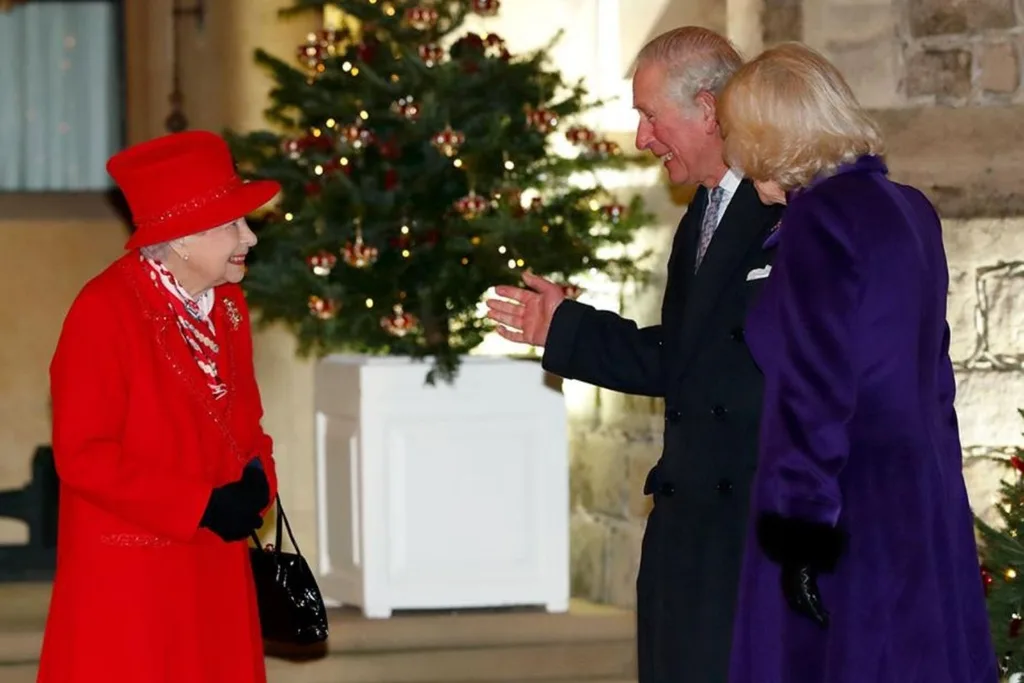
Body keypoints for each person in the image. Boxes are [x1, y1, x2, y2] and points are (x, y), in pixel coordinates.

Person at [485, 27, 784, 683]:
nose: (644, 138)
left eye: (651, 116)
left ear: (708, 109)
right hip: (690, 533)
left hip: (750, 534)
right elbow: (681, 360)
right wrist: (563, 328)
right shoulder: (704, 209)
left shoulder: (780, 209)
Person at [716, 42, 998, 683]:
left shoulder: (821, 218)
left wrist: (801, 532)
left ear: (767, 134)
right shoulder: (910, 208)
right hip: (917, 489)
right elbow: (936, 380)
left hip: (847, 500)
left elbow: (814, 390)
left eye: (734, 128)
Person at [38, 130, 282, 683]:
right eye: (232, 224)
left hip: (213, 564)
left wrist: (258, 482)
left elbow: (248, 424)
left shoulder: (229, 305)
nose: (250, 237)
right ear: (180, 238)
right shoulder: (103, 312)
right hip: (135, 576)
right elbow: (83, 456)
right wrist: (198, 505)